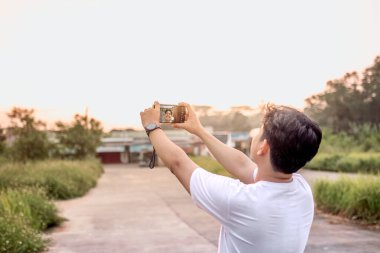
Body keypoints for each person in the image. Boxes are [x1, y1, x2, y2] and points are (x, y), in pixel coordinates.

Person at [140, 101, 322, 253]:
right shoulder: (302, 190)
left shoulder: (240, 201)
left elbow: (178, 164)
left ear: (263, 147)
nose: (256, 135)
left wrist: (151, 127)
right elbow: (242, 165)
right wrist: (199, 131)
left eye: (259, 131)